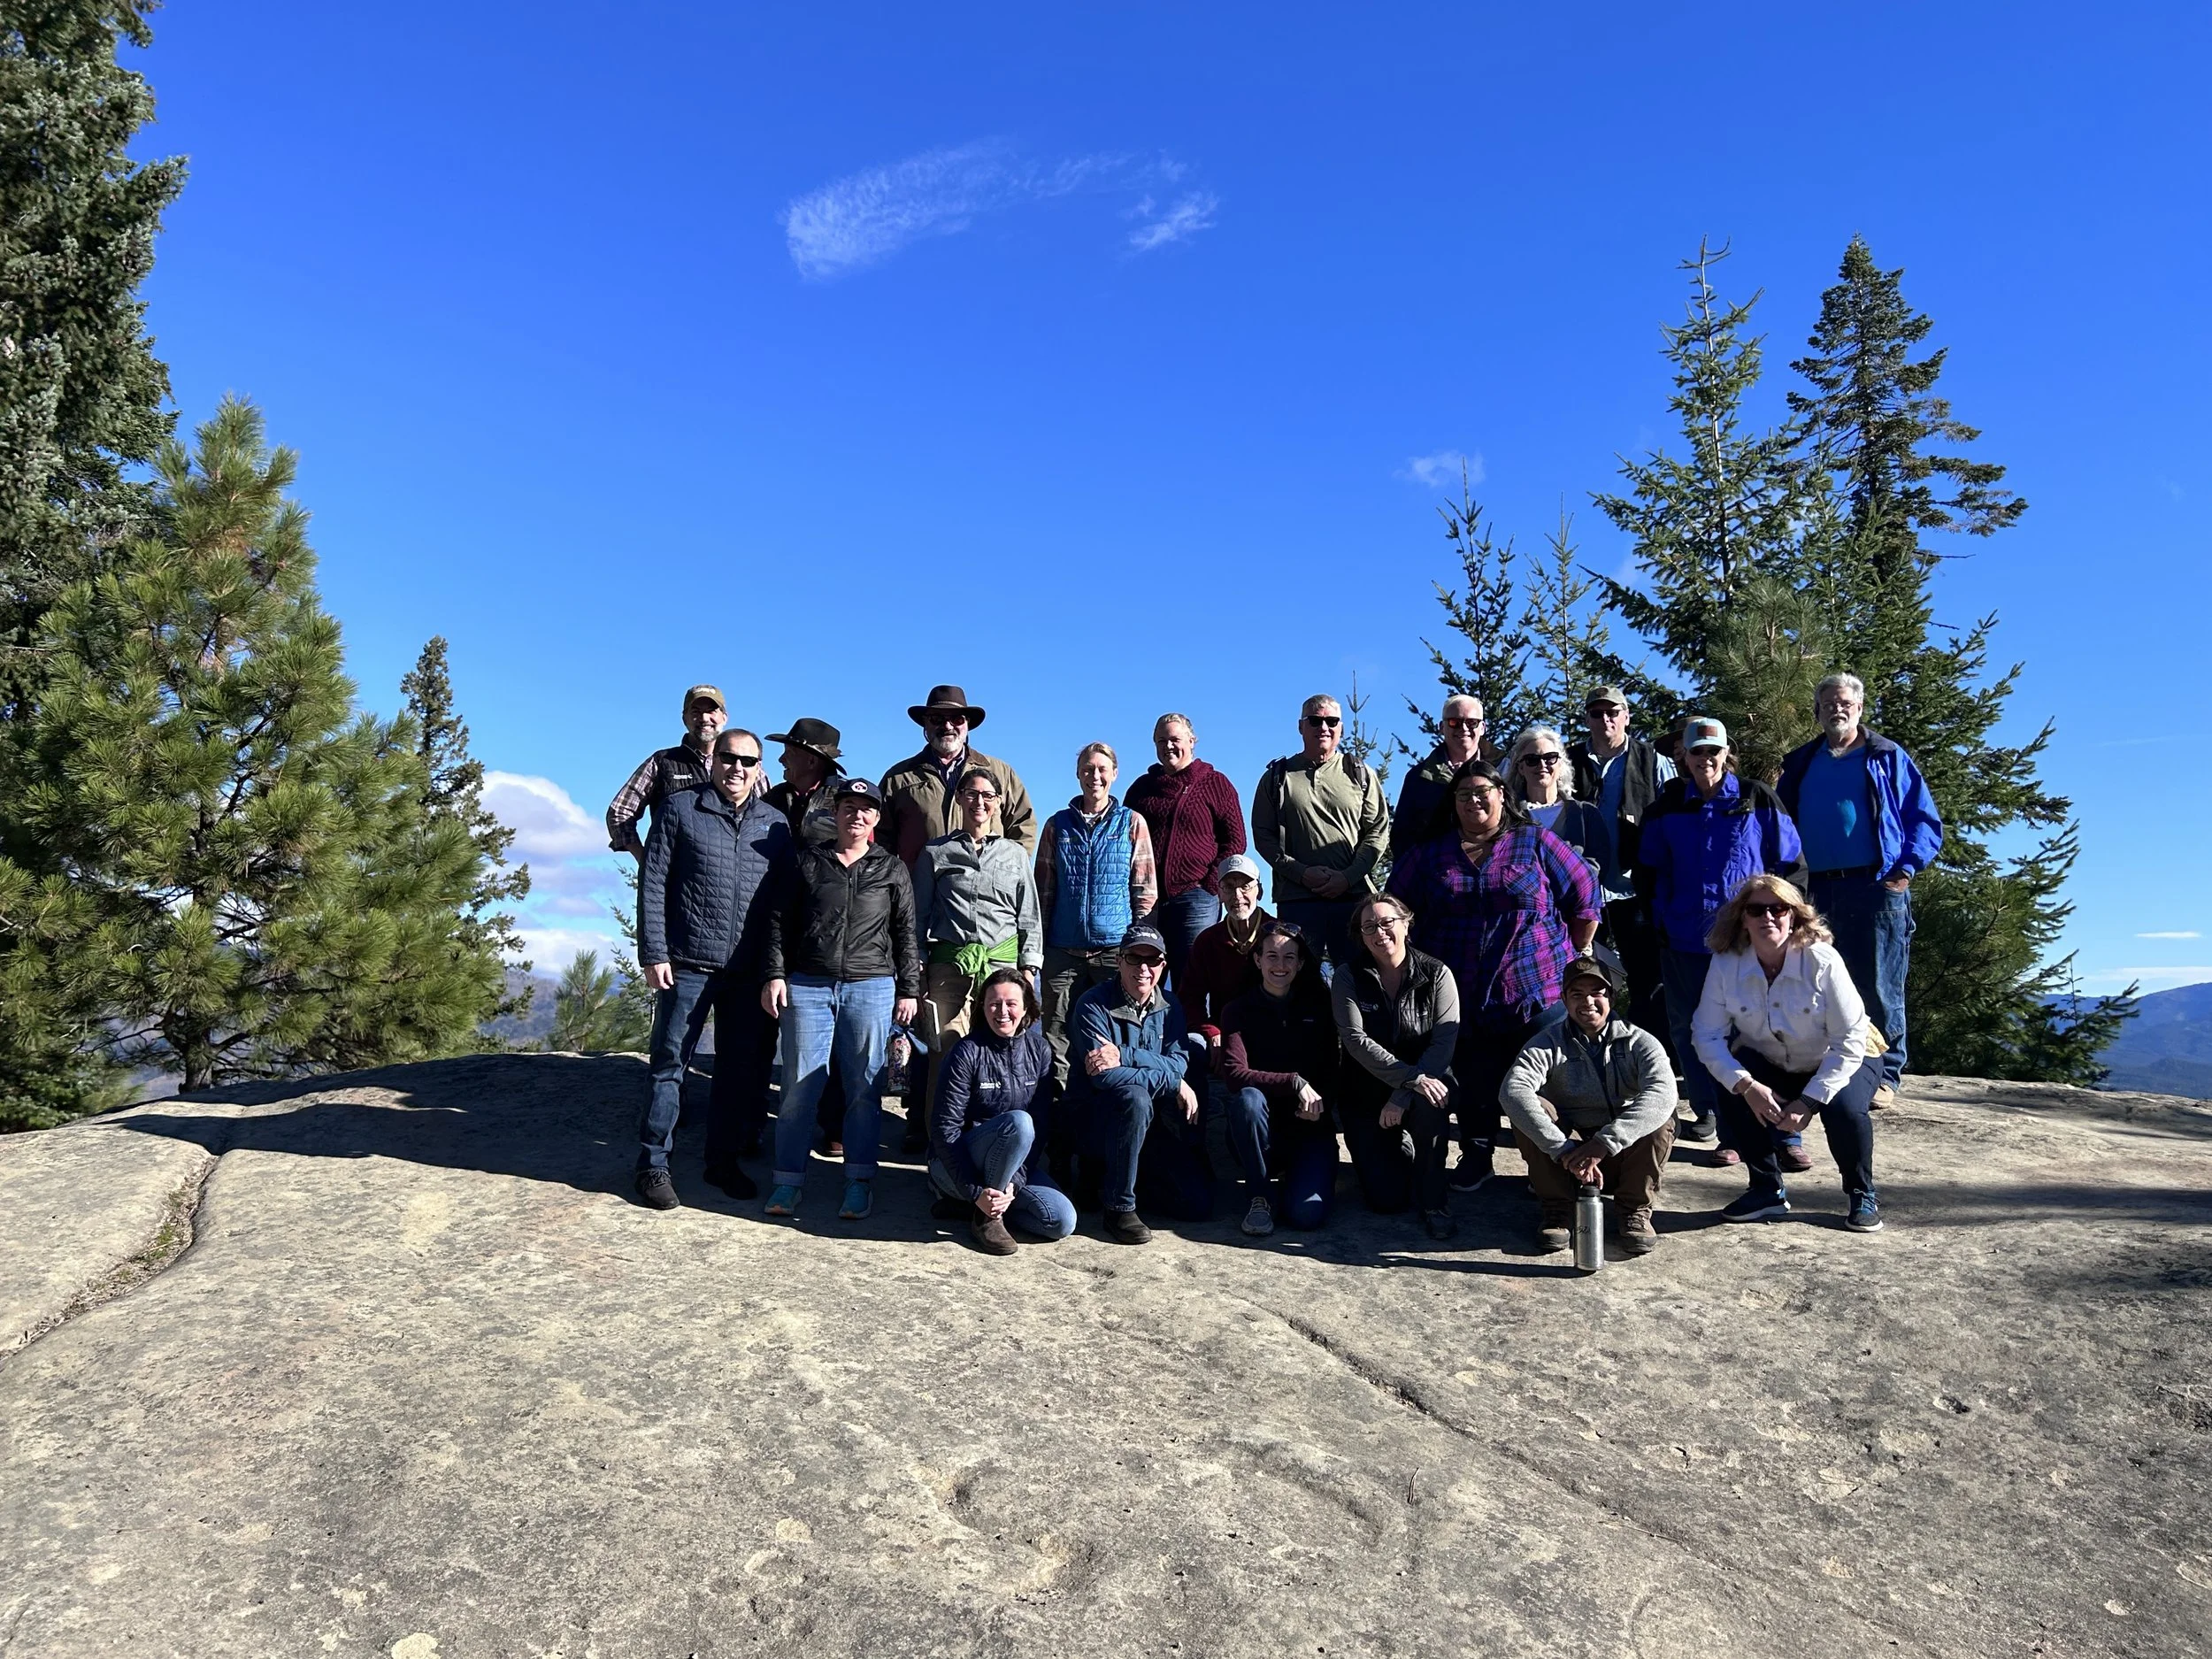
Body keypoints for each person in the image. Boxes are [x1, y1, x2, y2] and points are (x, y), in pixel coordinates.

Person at [1386, 758, 1601, 1194]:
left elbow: (1585, 896)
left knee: (1547, 1083)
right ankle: (1477, 1155)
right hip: (1459, 992)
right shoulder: (1430, 853)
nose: (1474, 801)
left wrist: (1575, 954)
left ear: (1503, 795)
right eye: (1464, 794)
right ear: (1453, 803)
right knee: (1474, 1081)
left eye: (1483, 791)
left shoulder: (1535, 842)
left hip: (1537, 991)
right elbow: (1393, 907)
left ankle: (1550, 1164)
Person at [632, 727, 793, 1210]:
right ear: (715, 759)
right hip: (686, 963)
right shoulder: (680, 809)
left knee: (736, 1072)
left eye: (748, 761)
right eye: (728, 758)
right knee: (668, 1065)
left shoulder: (775, 825)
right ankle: (652, 1164)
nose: (737, 768)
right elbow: (653, 882)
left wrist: (775, 969)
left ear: (759, 769)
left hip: (747, 972)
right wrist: (654, 952)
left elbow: (782, 904)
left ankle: (721, 1162)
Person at [1636, 718, 1808, 1158]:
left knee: (1768, 1029)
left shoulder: (1756, 797)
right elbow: (1650, 873)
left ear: (1726, 753)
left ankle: (1785, 1132)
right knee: (1693, 1030)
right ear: (1684, 756)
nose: (1705, 760)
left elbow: (1790, 866)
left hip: (1751, 939)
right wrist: (1661, 921)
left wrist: (1784, 923)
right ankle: (1719, 1122)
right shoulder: (1665, 807)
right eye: (1697, 752)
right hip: (1684, 940)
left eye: (1713, 751)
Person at [1777, 672, 1943, 1110]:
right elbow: (1780, 825)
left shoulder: (1886, 756)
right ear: (1817, 711)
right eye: (1829, 703)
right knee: (1818, 982)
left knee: (1880, 985)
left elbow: (1923, 819)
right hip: (1813, 891)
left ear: (1860, 709)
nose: (1838, 709)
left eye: (1846, 703)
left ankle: (1885, 1075)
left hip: (1875, 885)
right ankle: (1829, 1069)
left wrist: (1905, 869)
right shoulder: (1800, 763)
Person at [760, 779, 920, 1221]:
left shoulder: (892, 868)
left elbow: (905, 932)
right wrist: (774, 974)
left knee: (864, 1090)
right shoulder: (807, 862)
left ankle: (858, 1182)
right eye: (849, 807)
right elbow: (778, 922)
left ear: (877, 819)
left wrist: (908, 989)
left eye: (866, 809)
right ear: (835, 813)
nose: (857, 815)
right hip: (808, 986)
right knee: (798, 1088)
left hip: (872, 987)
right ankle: (788, 1181)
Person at [1693, 874, 1884, 1233]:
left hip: (1843, 1057)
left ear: (1793, 915)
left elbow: (1850, 1039)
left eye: (1778, 908)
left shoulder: (1821, 959)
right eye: (1756, 910)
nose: (1768, 917)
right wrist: (1746, 1085)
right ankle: (1766, 1189)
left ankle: (1862, 1193)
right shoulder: (1726, 963)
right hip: (1773, 1060)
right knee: (1730, 1082)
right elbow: (1706, 1034)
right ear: (1742, 918)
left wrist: (1810, 1101)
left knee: (1844, 1109)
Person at [1499, 947, 1676, 1256]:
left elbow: (1663, 1093)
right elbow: (1513, 1091)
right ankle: (1558, 1209)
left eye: (1597, 993)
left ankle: (1634, 1210)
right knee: (1530, 1109)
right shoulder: (1546, 1043)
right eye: (1577, 994)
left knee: (1661, 1120)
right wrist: (1563, 1149)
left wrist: (1604, 1143)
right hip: (1568, 1159)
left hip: (1621, 1154)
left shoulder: (1640, 1041)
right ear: (1564, 1000)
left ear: (1612, 998)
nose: (1588, 1002)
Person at [912, 768, 1044, 1152]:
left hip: (1001, 972)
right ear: (959, 798)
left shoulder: (1015, 855)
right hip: (949, 968)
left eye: (988, 795)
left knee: (1000, 1058)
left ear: (998, 803)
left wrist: (1028, 971)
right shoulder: (936, 853)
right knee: (945, 1055)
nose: (979, 802)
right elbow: (918, 916)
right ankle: (942, 1153)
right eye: (971, 793)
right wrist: (918, 967)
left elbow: (1029, 916)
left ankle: (996, 1145)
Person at [1064, 921, 1210, 1243]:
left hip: (1151, 1125)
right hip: (1097, 1118)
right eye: (1134, 958)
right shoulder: (1092, 1004)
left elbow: (1179, 1064)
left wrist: (1125, 1054)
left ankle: (1124, 1177)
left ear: (1163, 965)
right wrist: (1173, 1083)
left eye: (1152, 960)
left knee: (1197, 1205)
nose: (1143, 968)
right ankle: (1118, 1207)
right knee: (1134, 1096)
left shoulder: (1171, 1006)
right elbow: (1104, 1075)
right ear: (1119, 961)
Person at [1033, 741, 1158, 1102]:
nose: (1095, 776)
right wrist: (1038, 947)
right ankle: (1060, 1120)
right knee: (1056, 1036)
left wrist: (1136, 948)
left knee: (1114, 1034)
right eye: (1088, 769)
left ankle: (1111, 1116)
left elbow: (1144, 890)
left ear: (1114, 774)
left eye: (1102, 769)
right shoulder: (1057, 825)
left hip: (1114, 951)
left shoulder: (1131, 823)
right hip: (1062, 950)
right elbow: (1044, 890)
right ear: (1078, 774)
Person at [1332, 892, 1459, 1238]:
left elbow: (1443, 1044)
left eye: (1387, 922)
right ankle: (1400, 1148)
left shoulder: (1437, 973)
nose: (1379, 932)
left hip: (1424, 1082)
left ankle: (1435, 1201)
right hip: (1365, 1090)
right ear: (1361, 935)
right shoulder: (1348, 976)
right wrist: (1407, 1080)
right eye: (1369, 926)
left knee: (1431, 1098)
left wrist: (1404, 1092)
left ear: (1406, 924)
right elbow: (1355, 1040)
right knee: (1386, 1200)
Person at [928, 969, 1078, 1254]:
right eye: (994, 1004)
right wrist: (975, 1189)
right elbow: (945, 1128)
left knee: (1060, 1222)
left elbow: (1042, 1125)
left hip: (1013, 1165)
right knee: (1019, 1122)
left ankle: (977, 1206)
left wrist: (1015, 1184)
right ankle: (986, 1218)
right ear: (983, 1007)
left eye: (1011, 1004)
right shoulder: (966, 1052)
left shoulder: (1040, 1050)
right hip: (959, 1164)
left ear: (1026, 1008)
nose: (1003, 1012)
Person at [1568, 686, 1677, 1051]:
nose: (1606, 719)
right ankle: (1587, 1059)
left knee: (1649, 980)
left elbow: (1671, 813)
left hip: (1636, 888)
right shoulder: (1567, 762)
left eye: (1613, 712)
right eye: (1596, 713)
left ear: (1626, 716)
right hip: (1581, 895)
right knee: (1581, 981)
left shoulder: (1652, 758)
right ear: (1587, 719)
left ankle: (1653, 1060)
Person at [1218, 920, 1341, 1236]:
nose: (1280, 965)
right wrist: (1294, 1082)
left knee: (1305, 1216)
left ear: (1300, 964)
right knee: (1247, 1099)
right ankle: (1258, 1195)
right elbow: (1235, 1075)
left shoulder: (1320, 1008)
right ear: (1257, 959)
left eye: (1289, 957)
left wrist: (1321, 1105)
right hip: (1259, 1132)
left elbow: (1332, 1069)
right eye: (1272, 956)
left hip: (1309, 1127)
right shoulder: (1236, 1010)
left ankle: (1298, 1178)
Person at [1251, 693, 1390, 965]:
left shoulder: (1360, 773)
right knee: (1298, 977)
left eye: (1332, 721)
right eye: (1315, 721)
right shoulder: (1277, 777)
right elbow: (1263, 836)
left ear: (1341, 728)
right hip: (1297, 900)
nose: (1323, 727)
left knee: (1358, 976)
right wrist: (1301, 873)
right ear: (1301, 726)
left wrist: (1348, 877)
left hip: (1353, 898)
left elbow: (1377, 831)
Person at [1125, 713, 1247, 979]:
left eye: (1174, 739)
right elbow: (1124, 840)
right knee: (1143, 978)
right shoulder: (1141, 789)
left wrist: (1210, 883)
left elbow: (1236, 841)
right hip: (1147, 900)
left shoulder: (1216, 784)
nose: (1168, 746)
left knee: (1192, 978)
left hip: (1196, 898)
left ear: (1192, 741)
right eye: (1161, 741)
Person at [878, 683, 1037, 863]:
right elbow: (880, 837)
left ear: (967, 724)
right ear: (925, 723)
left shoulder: (1001, 773)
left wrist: (1010, 869)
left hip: (988, 880)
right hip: (918, 880)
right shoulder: (898, 778)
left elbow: (1024, 825)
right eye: (936, 719)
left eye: (957, 719)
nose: (947, 726)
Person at [607, 684, 725, 858]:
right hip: (673, 872)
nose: (704, 718)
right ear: (684, 718)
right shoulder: (662, 762)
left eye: (711, 711)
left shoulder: (744, 764)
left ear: (724, 717)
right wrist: (644, 860)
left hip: (731, 871)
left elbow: (764, 810)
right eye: (696, 712)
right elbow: (620, 811)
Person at [1179, 852, 1271, 1068]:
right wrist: (1212, 1032)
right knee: (1191, 1047)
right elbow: (1189, 998)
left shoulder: (1278, 934)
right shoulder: (1207, 941)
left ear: (1260, 891)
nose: (1237, 896)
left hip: (1271, 1029)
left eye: (1245, 886)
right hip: (1223, 1031)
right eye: (1229, 887)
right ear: (1219, 893)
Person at [1504, 726, 1616, 879]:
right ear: (1521, 768)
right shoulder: (1507, 815)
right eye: (1532, 760)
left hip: (1575, 894)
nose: (1542, 765)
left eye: (1550, 758)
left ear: (1560, 764)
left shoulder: (1586, 814)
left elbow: (1598, 865)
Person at [1391, 694, 1488, 859]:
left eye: (1472, 722)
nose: (1464, 728)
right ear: (1442, 727)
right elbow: (1402, 838)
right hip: (1434, 869)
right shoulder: (1419, 778)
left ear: (1483, 727)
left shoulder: (1502, 770)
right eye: (1454, 722)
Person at [764, 717, 848, 849]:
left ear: (811, 762)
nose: (781, 759)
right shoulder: (772, 797)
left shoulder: (847, 798)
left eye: (789, 752)